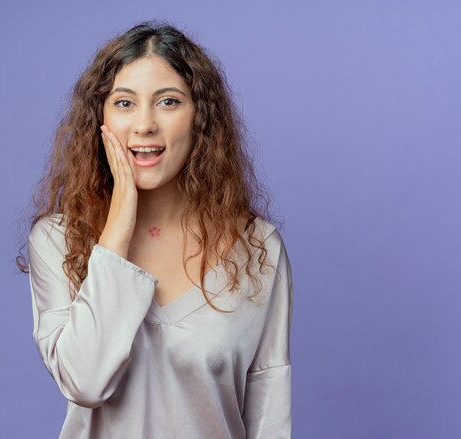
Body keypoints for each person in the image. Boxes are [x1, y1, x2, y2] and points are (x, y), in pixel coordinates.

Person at [17, 20, 294, 439]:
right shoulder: (57, 241)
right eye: (124, 103)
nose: (145, 124)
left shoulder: (258, 249)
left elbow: (269, 412)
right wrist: (118, 225)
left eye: (168, 102)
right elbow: (85, 382)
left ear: (200, 117)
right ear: (100, 117)